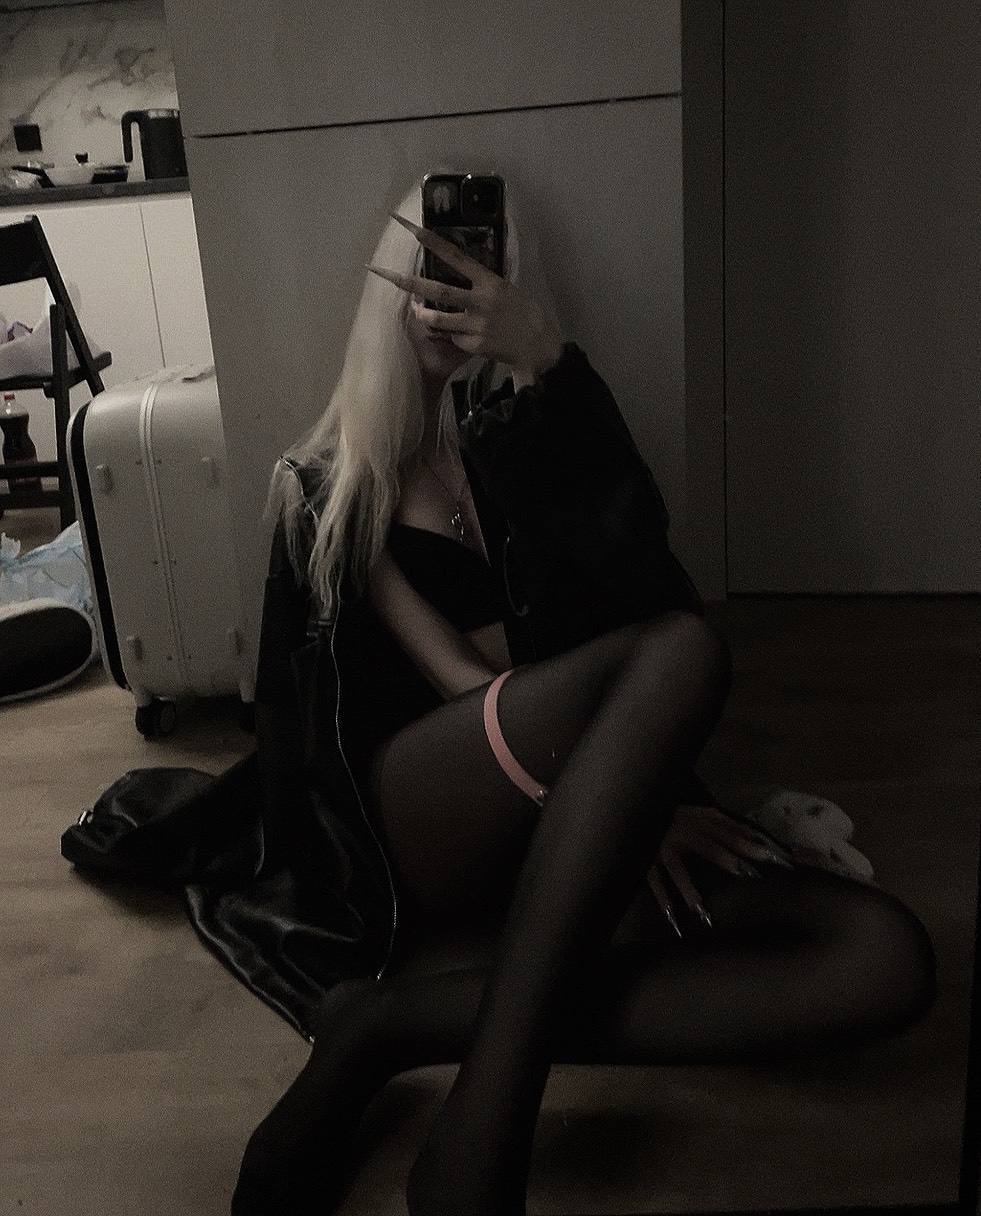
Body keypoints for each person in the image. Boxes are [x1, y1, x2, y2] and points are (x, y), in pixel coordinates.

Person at [231, 174, 937, 1216]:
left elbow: (639, 583)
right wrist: (616, 787)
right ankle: (484, 1130)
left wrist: (544, 363)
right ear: (388, 285)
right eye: (431, 262)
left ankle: (386, 1026)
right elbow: (463, 679)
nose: (451, 286)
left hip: (559, 812)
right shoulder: (333, 479)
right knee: (686, 654)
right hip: (427, 814)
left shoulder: (510, 438)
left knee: (882, 957)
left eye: (481, 261)